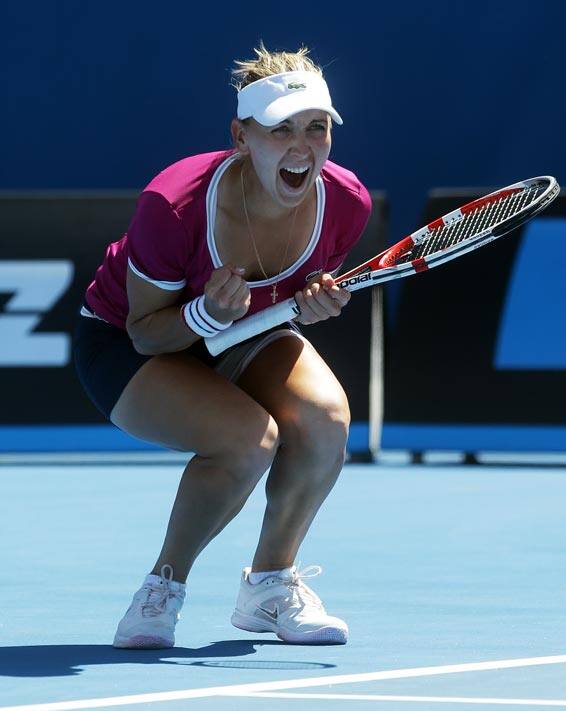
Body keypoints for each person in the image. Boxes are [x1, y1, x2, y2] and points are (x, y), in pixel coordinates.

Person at [73, 42, 372, 648]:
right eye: (279, 130)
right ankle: (162, 587)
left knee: (325, 419)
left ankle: (269, 587)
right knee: (246, 438)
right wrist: (206, 313)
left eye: (316, 129)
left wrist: (315, 301)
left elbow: (290, 301)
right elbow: (145, 330)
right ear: (241, 136)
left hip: (244, 330)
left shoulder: (345, 202)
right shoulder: (175, 204)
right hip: (130, 342)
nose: (301, 146)